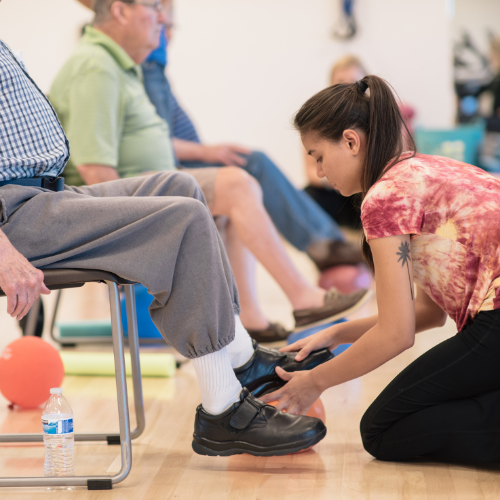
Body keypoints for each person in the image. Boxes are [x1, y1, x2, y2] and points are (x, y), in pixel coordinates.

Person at [0, 0, 334, 456]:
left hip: (44, 196)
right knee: (183, 216)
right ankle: (223, 411)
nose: (162, 17)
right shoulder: (93, 66)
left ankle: (240, 355)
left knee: (178, 186)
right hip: (12, 215)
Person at [49, 0, 370, 342]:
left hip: (151, 181)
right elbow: (95, 171)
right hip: (116, 203)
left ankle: (252, 319)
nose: (161, 18)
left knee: (236, 194)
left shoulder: (117, 66)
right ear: (120, 11)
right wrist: (141, 229)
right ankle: (303, 298)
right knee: (236, 184)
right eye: (153, 7)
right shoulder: (95, 67)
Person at [261, 75, 500, 464]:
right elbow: (426, 313)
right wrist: (336, 333)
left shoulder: (384, 198)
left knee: (383, 430)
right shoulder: (421, 169)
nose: (319, 172)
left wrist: (313, 383)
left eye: (318, 156)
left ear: (351, 141)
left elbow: (397, 334)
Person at [141, 23, 364, 272]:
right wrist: (205, 152)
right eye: (161, 25)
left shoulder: (153, 73)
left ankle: (325, 244)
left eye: (169, 25)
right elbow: (156, 143)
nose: (167, 32)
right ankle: (323, 244)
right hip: (176, 166)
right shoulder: (149, 69)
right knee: (254, 167)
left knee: (252, 165)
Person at [303, 55, 366, 229]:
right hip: (332, 192)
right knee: (307, 195)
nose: (347, 87)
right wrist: (332, 179)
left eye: (354, 81)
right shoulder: (315, 123)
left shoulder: (376, 119)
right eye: (340, 81)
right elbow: (310, 170)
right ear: (330, 85)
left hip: (362, 191)